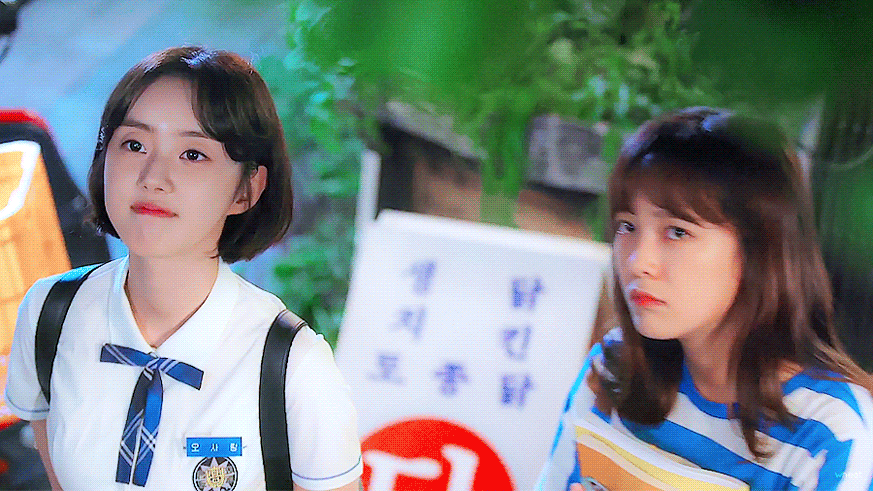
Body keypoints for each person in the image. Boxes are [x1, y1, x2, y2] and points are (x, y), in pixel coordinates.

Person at [5, 46, 362, 491]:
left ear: (247, 189)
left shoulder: (295, 367)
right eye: (134, 145)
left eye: (193, 154)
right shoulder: (48, 313)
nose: (153, 177)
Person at [536, 107, 873, 491]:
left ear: (759, 249)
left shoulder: (827, 432)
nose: (638, 262)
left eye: (677, 232)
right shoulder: (615, 366)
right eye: (627, 226)